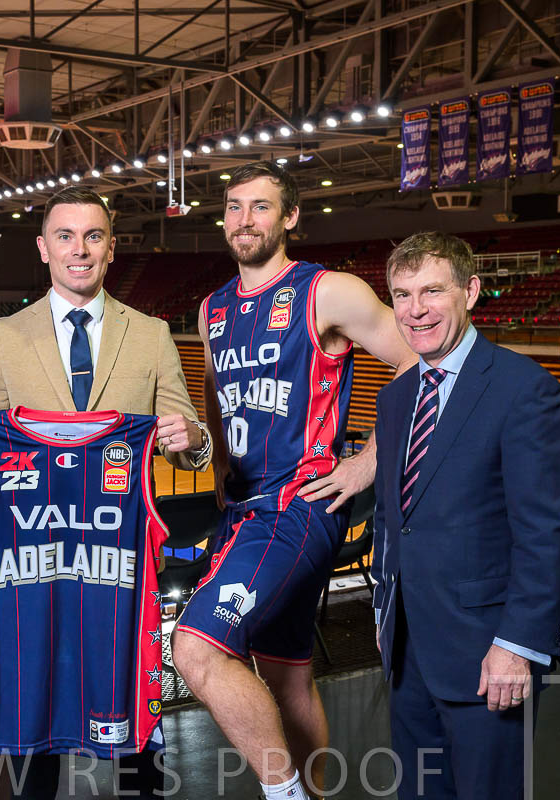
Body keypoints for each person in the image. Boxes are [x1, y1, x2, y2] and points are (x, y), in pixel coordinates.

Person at [0, 184, 211, 798]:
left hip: (118, 569)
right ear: (43, 248)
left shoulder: (152, 334)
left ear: (111, 248)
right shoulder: (3, 335)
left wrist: (191, 440)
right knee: (34, 737)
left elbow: (190, 445)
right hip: (34, 570)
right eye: (65, 236)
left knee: (138, 744)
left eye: (92, 237)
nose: (78, 250)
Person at [171, 160, 417, 799]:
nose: (243, 219)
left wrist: (368, 461)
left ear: (290, 217)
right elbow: (215, 391)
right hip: (242, 509)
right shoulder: (212, 308)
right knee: (286, 676)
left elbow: (419, 359)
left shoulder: (326, 291)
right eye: (234, 207)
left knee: (195, 648)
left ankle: (286, 796)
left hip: (297, 507)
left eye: (260, 206)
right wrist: (215, 461)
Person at [371, 232, 560, 799]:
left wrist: (518, 645)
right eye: (402, 294)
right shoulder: (395, 398)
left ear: (471, 291)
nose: (416, 309)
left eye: (432, 291)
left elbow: (546, 535)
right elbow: (391, 518)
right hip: (409, 653)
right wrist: (384, 612)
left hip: (490, 657)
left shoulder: (524, 389)